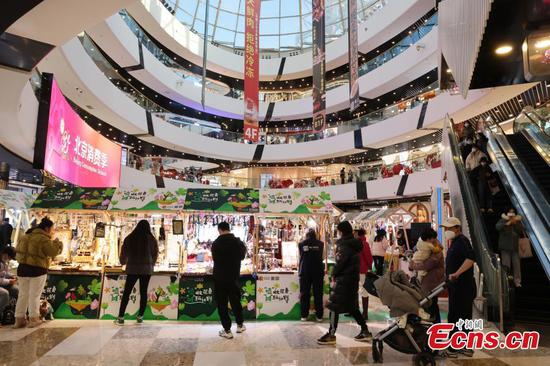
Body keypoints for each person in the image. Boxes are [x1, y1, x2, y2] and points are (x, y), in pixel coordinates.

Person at [317, 221, 372, 345]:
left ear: (341, 232)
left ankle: (331, 334)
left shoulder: (344, 245)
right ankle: (365, 330)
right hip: (352, 280)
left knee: (333, 306)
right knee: (352, 307)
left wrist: (333, 274)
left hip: (344, 280)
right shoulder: (354, 244)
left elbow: (341, 263)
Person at [14, 218, 62, 328]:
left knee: (23, 294)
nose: (51, 231)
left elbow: (17, 251)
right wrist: (57, 243)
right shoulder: (43, 239)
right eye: (51, 229)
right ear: (46, 228)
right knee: (34, 295)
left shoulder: (25, 236)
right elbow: (52, 252)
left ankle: (19, 319)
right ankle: (34, 319)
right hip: (37, 270)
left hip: (22, 269)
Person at [441, 217, 476, 357]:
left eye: (449, 228)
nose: (446, 231)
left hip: (463, 287)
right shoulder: (455, 242)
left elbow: (471, 258)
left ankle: (457, 347)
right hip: (457, 286)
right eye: (445, 228)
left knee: (459, 316)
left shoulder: (462, 241)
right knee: (459, 316)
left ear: (457, 228)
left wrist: (457, 273)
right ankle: (460, 346)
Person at [115, 220, 159, 325]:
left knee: (126, 293)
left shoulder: (130, 238)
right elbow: (155, 254)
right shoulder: (152, 240)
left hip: (132, 269)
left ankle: (121, 317)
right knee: (143, 293)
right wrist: (151, 264)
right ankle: (140, 317)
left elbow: (124, 252)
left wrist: (123, 262)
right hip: (146, 270)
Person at [212, 222, 247, 339]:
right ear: (229, 229)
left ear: (219, 230)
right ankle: (240, 325)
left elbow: (215, 259)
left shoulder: (216, 243)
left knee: (222, 304)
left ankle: (227, 330)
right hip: (233, 277)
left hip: (220, 278)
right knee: (235, 301)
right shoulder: (238, 242)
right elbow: (242, 256)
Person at [409, 229, 444, 323]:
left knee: (431, 304)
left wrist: (413, 265)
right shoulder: (430, 247)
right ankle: (433, 326)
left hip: (432, 282)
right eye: (433, 238)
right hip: (430, 281)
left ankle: (436, 327)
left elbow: (428, 265)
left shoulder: (435, 250)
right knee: (430, 304)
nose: (434, 240)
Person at [298, 229, 324, 322]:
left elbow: (300, 255)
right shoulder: (320, 244)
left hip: (305, 271)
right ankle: (319, 316)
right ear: (315, 235)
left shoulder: (301, 244)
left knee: (304, 293)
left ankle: (304, 315)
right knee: (318, 293)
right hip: (318, 271)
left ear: (306, 235)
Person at [496, 208, 523, 287]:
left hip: (515, 247)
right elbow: (497, 227)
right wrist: (506, 223)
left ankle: (517, 281)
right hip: (505, 246)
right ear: (507, 213)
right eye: (510, 212)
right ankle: (505, 281)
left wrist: (515, 223)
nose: (511, 214)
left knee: (517, 265)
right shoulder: (503, 220)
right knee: (506, 265)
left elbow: (520, 231)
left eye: (513, 212)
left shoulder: (517, 221)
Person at [356, 229, 373, 320]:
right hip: (362, 269)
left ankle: (358, 312)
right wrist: (370, 266)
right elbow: (369, 257)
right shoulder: (364, 244)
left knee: (357, 290)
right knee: (363, 290)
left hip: (356, 270)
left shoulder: (357, 243)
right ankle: (364, 313)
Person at [0, 246, 18, 326]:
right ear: (6, 254)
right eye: (10, 257)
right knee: (5, 293)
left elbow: (5, 273)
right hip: (2, 284)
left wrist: (12, 276)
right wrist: (9, 281)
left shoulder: (5, 262)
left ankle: (14, 314)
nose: (10, 260)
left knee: (16, 290)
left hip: (3, 283)